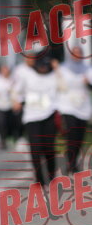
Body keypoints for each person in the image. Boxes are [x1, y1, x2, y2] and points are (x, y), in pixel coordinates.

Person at [11, 51, 58, 190]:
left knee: (49, 148)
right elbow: (16, 91)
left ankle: (52, 177)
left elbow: (63, 89)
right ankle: (39, 180)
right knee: (35, 149)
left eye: (45, 66)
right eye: (40, 66)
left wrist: (57, 69)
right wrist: (16, 101)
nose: (42, 69)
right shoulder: (25, 74)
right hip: (31, 116)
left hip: (49, 114)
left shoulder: (53, 75)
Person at [56, 47, 92, 174]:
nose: (77, 56)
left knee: (79, 137)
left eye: (79, 53)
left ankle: (74, 160)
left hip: (83, 106)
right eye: (74, 53)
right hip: (68, 106)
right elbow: (58, 86)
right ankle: (70, 164)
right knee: (72, 134)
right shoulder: (63, 68)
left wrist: (87, 83)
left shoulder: (87, 69)